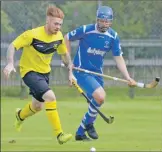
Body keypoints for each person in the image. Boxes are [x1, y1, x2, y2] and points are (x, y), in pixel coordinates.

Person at [64, 6, 137, 141]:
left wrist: (127, 77)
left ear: (111, 21)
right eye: (102, 21)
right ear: (97, 20)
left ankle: (80, 132)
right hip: (81, 71)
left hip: (98, 73)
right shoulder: (86, 30)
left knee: (98, 100)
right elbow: (66, 37)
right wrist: (68, 62)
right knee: (100, 97)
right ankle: (89, 124)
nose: (104, 24)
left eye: (107, 21)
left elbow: (118, 57)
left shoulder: (113, 36)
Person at [3, 5, 73, 145]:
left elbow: (64, 55)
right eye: (55, 23)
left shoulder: (58, 37)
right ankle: (59, 134)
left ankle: (19, 116)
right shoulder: (32, 35)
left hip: (44, 74)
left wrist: (70, 72)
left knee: (37, 106)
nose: (58, 27)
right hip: (29, 72)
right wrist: (10, 63)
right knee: (50, 97)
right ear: (47, 20)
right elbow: (12, 46)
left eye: (60, 24)